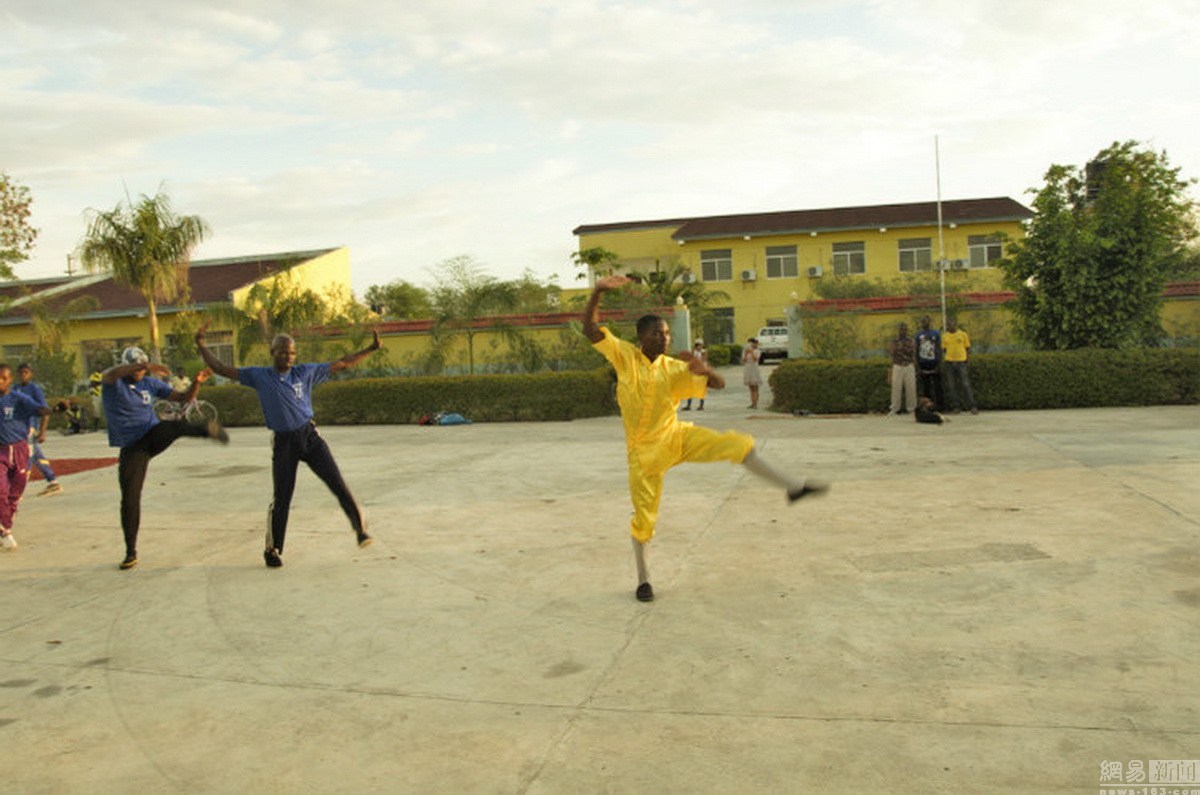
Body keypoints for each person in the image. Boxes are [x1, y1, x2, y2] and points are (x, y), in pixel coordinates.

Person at [583, 275, 829, 602]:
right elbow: (590, 329)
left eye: (668, 333)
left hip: (677, 437)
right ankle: (644, 580)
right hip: (644, 455)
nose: (665, 337)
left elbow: (718, 385)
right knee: (644, 517)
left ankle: (793, 487)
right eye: (658, 333)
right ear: (641, 336)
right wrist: (598, 291)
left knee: (736, 444)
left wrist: (706, 371)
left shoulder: (673, 368)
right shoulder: (625, 356)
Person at [195, 321, 380, 568]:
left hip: (310, 437)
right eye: (283, 351)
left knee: (337, 483)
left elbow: (342, 363)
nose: (288, 356)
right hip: (284, 443)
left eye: (292, 352)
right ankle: (272, 549)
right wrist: (201, 345)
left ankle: (360, 530)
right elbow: (220, 368)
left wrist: (370, 349)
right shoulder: (259, 376)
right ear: (273, 352)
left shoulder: (305, 373)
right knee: (282, 498)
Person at [102, 348, 229, 570]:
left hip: (151, 435)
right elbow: (110, 374)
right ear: (129, 366)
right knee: (130, 499)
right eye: (137, 369)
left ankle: (207, 430)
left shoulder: (150, 384)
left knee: (172, 426)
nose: (141, 373)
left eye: (143, 369)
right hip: (133, 448)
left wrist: (197, 382)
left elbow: (183, 398)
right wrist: (146, 366)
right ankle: (130, 552)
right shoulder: (114, 383)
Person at [0, 364, 52, 550]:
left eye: (3, 378)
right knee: (1, 491)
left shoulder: (19, 398)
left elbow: (40, 409)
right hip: (1, 450)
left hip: (21, 448)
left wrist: (55, 409)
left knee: (16, 493)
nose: (0, 382)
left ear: (9, 380)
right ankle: (6, 531)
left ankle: (5, 523)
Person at [14, 363, 63, 496]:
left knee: (27, 457)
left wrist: (42, 432)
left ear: (31, 374)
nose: (23, 375)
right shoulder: (15, 389)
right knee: (36, 455)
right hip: (18, 428)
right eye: (21, 372)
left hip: (29, 428)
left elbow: (44, 410)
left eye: (26, 372)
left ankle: (19, 488)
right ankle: (53, 482)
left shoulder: (34, 389)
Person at [942, 318, 979, 414]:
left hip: (961, 362)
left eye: (951, 324)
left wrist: (967, 360)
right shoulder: (945, 336)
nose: (949, 326)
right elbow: (944, 349)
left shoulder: (963, 334)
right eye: (948, 325)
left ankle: (972, 406)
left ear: (955, 325)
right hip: (949, 363)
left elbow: (968, 348)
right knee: (952, 386)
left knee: (965, 384)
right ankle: (956, 406)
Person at [914, 315, 944, 411]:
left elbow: (939, 349)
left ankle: (940, 406)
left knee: (937, 387)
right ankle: (928, 407)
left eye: (926, 321)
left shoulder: (936, 333)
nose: (924, 323)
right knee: (926, 387)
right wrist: (918, 367)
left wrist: (939, 364)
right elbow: (916, 351)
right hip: (923, 363)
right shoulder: (918, 335)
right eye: (922, 321)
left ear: (929, 322)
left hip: (934, 362)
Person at [887, 323, 917, 416]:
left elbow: (912, 351)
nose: (903, 331)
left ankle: (911, 409)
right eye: (901, 329)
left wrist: (902, 349)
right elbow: (893, 352)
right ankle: (895, 409)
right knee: (896, 387)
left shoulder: (911, 340)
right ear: (898, 331)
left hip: (909, 365)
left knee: (911, 387)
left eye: (904, 329)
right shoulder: (894, 341)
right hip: (897, 365)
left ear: (906, 331)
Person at [680, 339, 707, 411]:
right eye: (697, 345)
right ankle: (688, 405)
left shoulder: (703, 353)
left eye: (700, 345)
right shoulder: (693, 352)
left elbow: (703, 362)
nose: (698, 347)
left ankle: (701, 405)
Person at [742, 337, 762, 409]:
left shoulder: (757, 351)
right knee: (751, 388)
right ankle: (752, 403)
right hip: (748, 369)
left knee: (755, 387)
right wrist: (746, 353)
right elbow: (743, 360)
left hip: (754, 369)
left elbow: (755, 359)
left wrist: (751, 351)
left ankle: (755, 403)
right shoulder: (745, 351)